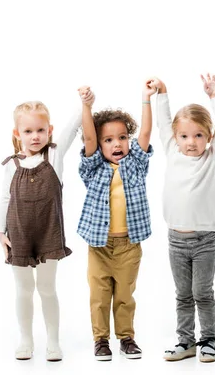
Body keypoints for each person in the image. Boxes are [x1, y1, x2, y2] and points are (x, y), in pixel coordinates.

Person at [0, 98, 85, 361]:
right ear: (17, 134)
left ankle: (53, 342)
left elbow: (71, 127)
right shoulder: (11, 165)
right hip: (19, 232)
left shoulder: (54, 155)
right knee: (23, 288)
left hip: (48, 231)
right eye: (28, 131)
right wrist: (0, 232)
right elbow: (5, 198)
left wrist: (84, 103)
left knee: (47, 288)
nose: (35, 136)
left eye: (40, 130)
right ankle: (26, 340)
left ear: (49, 131)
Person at [77, 81, 156, 361]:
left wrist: (146, 98)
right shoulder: (93, 167)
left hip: (128, 245)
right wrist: (87, 106)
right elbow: (87, 138)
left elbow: (145, 132)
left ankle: (126, 337)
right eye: (108, 140)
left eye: (121, 137)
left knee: (125, 295)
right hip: (99, 245)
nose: (116, 144)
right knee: (99, 296)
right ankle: (101, 340)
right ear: (100, 145)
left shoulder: (136, 163)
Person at [155, 74, 215, 363]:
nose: (191, 142)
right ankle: (186, 342)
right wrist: (162, 93)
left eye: (199, 135)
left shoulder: (212, 158)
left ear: (208, 137)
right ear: (176, 138)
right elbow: (163, 122)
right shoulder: (172, 151)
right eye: (185, 136)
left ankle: (208, 340)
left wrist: (214, 96)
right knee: (183, 295)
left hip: (204, 241)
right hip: (175, 240)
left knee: (202, 292)